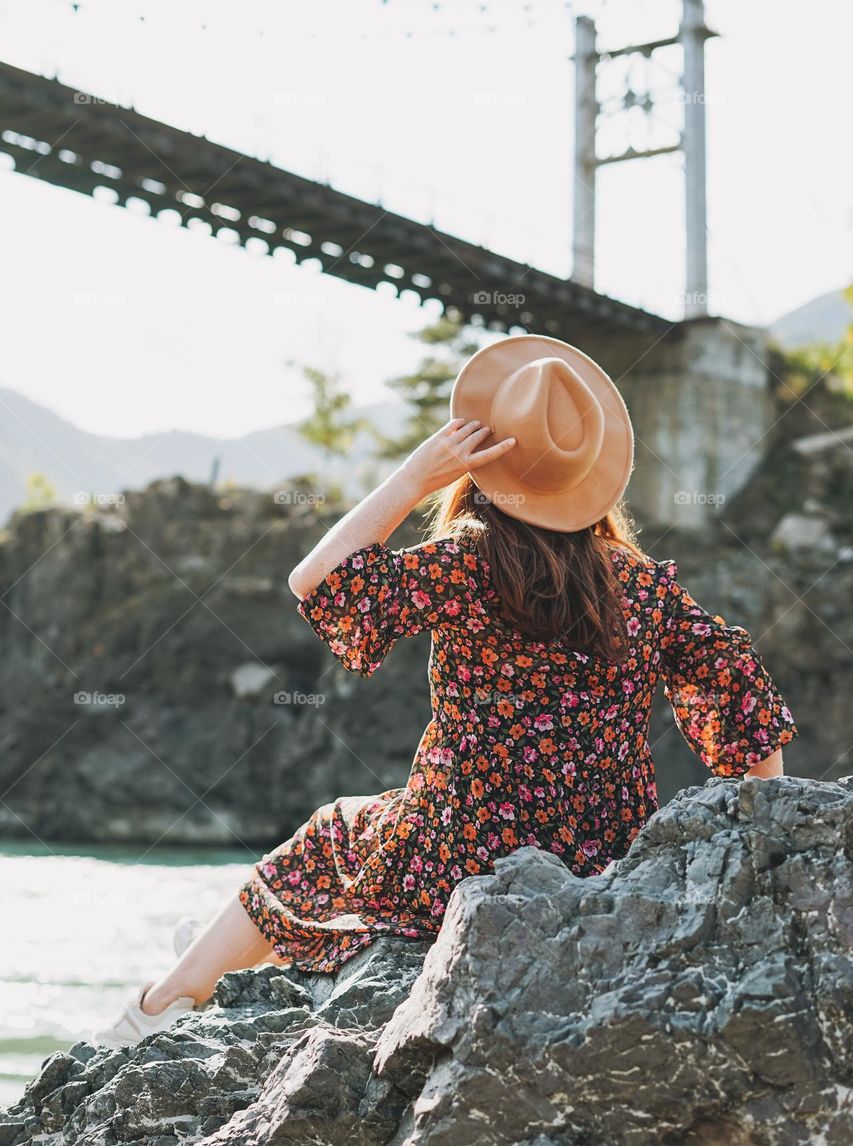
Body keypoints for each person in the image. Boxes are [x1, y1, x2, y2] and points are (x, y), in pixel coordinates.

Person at [93, 335, 798, 1047]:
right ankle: (224, 959)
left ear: (484, 464)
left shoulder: (467, 562)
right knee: (349, 837)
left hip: (460, 851)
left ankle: (169, 996)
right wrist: (760, 826)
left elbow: (316, 582)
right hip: (603, 857)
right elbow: (736, 680)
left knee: (334, 832)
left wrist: (411, 477)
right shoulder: (640, 585)